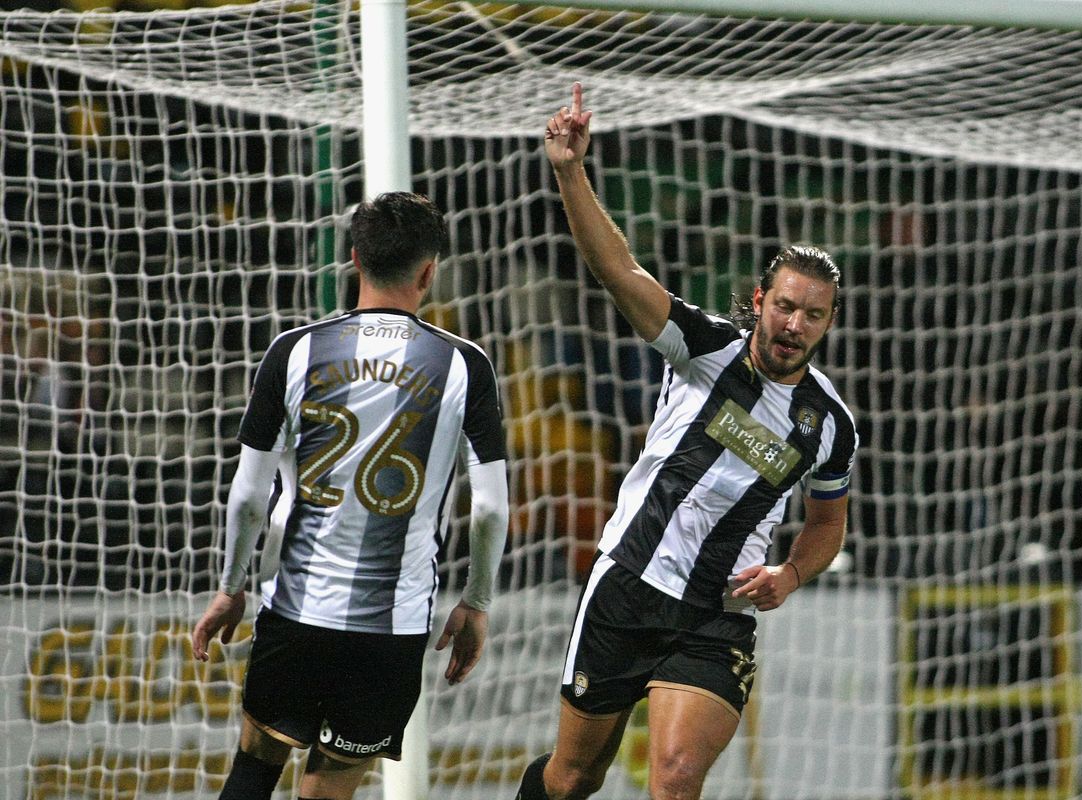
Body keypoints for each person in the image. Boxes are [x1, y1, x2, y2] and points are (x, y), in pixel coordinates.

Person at [515, 84, 858, 800]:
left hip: (716, 612)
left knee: (674, 779)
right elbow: (619, 270)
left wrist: (791, 575)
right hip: (629, 583)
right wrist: (570, 170)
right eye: (787, 306)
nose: (796, 325)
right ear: (761, 301)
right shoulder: (703, 349)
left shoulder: (829, 424)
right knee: (573, 777)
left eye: (814, 316)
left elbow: (828, 521)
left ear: (828, 324)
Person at [191, 191, 509, 800]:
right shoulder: (467, 365)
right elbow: (491, 507)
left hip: (296, 614)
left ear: (355, 259)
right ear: (429, 271)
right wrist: (477, 601)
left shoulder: (294, 351)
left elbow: (249, 497)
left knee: (254, 770)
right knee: (328, 792)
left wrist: (232, 588)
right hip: (391, 631)